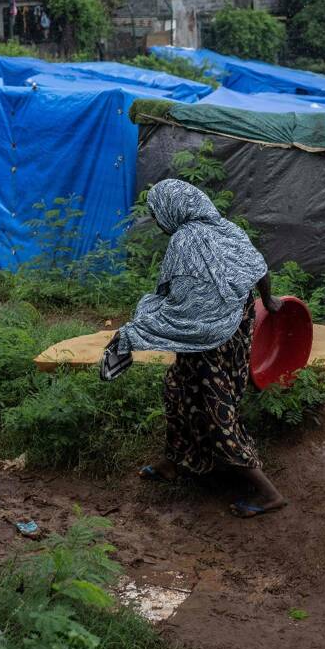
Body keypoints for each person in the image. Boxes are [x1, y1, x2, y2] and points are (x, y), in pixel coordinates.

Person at [108, 178, 287, 518]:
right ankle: (174, 462)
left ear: (172, 210)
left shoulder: (184, 241)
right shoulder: (228, 229)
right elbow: (258, 267)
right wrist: (268, 299)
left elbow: (181, 304)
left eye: (158, 214)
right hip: (236, 329)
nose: (159, 222)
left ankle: (268, 493)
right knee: (177, 389)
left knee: (213, 409)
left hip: (209, 342)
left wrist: (143, 328)